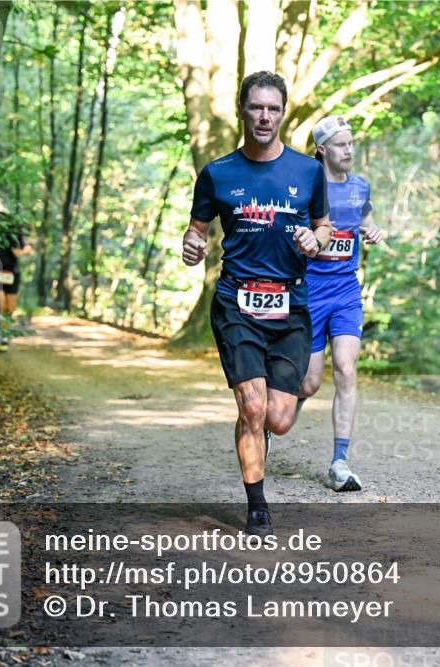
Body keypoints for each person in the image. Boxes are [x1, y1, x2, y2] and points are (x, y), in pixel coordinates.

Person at [181, 71, 332, 537]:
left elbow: (325, 228)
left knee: (278, 420)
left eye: (273, 108)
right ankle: (257, 503)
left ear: (283, 113)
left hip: (290, 305)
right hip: (237, 304)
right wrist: (190, 245)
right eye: (256, 107)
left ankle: (261, 429)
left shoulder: (308, 171)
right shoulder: (217, 174)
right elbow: (197, 230)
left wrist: (315, 238)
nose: (264, 116)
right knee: (251, 407)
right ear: (241, 111)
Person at [298, 115, 383, 492]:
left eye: (351, 143)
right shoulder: (305, 187)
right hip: (311, 291)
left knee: (346, 369)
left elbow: (366, 219)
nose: (349, 150)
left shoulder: (360, 187)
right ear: (322, 150)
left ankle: (340, 462)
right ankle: (274, 423)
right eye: (341, 144)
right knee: (310, 383)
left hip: (346, 291)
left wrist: (374, 230)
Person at [0, 204, 32, 352]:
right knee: (1, 305)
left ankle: (5, 333)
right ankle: (2, 335)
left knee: (10, 308)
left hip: (12, 273)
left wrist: (25, 250)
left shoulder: (14, 234)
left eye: (3, 216)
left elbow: (22, 250)